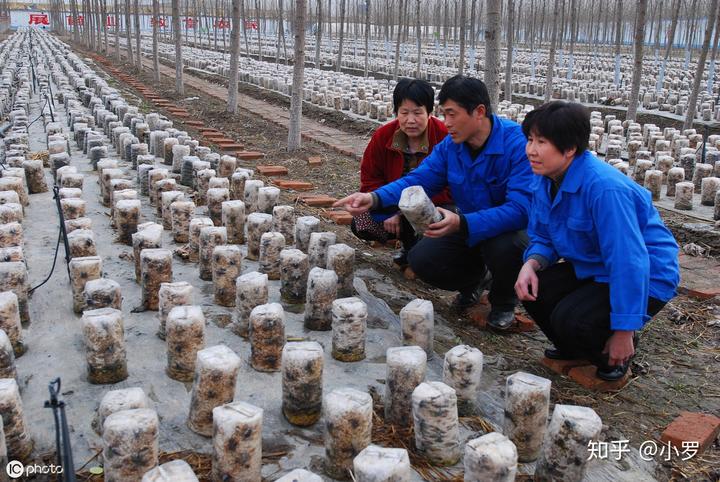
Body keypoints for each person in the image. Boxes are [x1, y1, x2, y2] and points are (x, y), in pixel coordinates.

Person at [336, 75, 533, 329]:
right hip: (466, 224)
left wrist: (462, 223)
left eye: (452, 114)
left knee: (507, 244)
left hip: (507, 230)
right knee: (422, 260)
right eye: (444, 114)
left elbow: (519, 210)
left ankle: (504, 301)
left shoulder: (516, 144)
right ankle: (474, 281)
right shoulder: (451, 147)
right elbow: (417, 181)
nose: (446, 122)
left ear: (479, 112)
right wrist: (373, 198)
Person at [514, 101, 680, 381]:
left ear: (569, 149)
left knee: (574, 319)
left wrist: (624, 330)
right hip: (595, 266)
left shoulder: (605, 189)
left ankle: (617, 354)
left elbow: (629, 260)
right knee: (535, 290)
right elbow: (544, 233)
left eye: (542, 142)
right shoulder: (545, 178)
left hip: (647, 275)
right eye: (530, 140)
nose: (531, 150)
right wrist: (532, 262)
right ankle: (575, 347)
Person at [351, 78, 451, 267]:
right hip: (391, 205)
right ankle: (407, 243)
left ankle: (419, 250)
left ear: (430, 112)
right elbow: (370, 178)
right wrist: (390, 211)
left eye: (417, 113)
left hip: (432, 207)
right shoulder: (384, 136)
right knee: (361, 221)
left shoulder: (444, 137)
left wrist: (407, 211)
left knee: (434, 237)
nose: (410, 120)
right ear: (396, 112)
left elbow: (450, 186)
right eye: (404, 113)